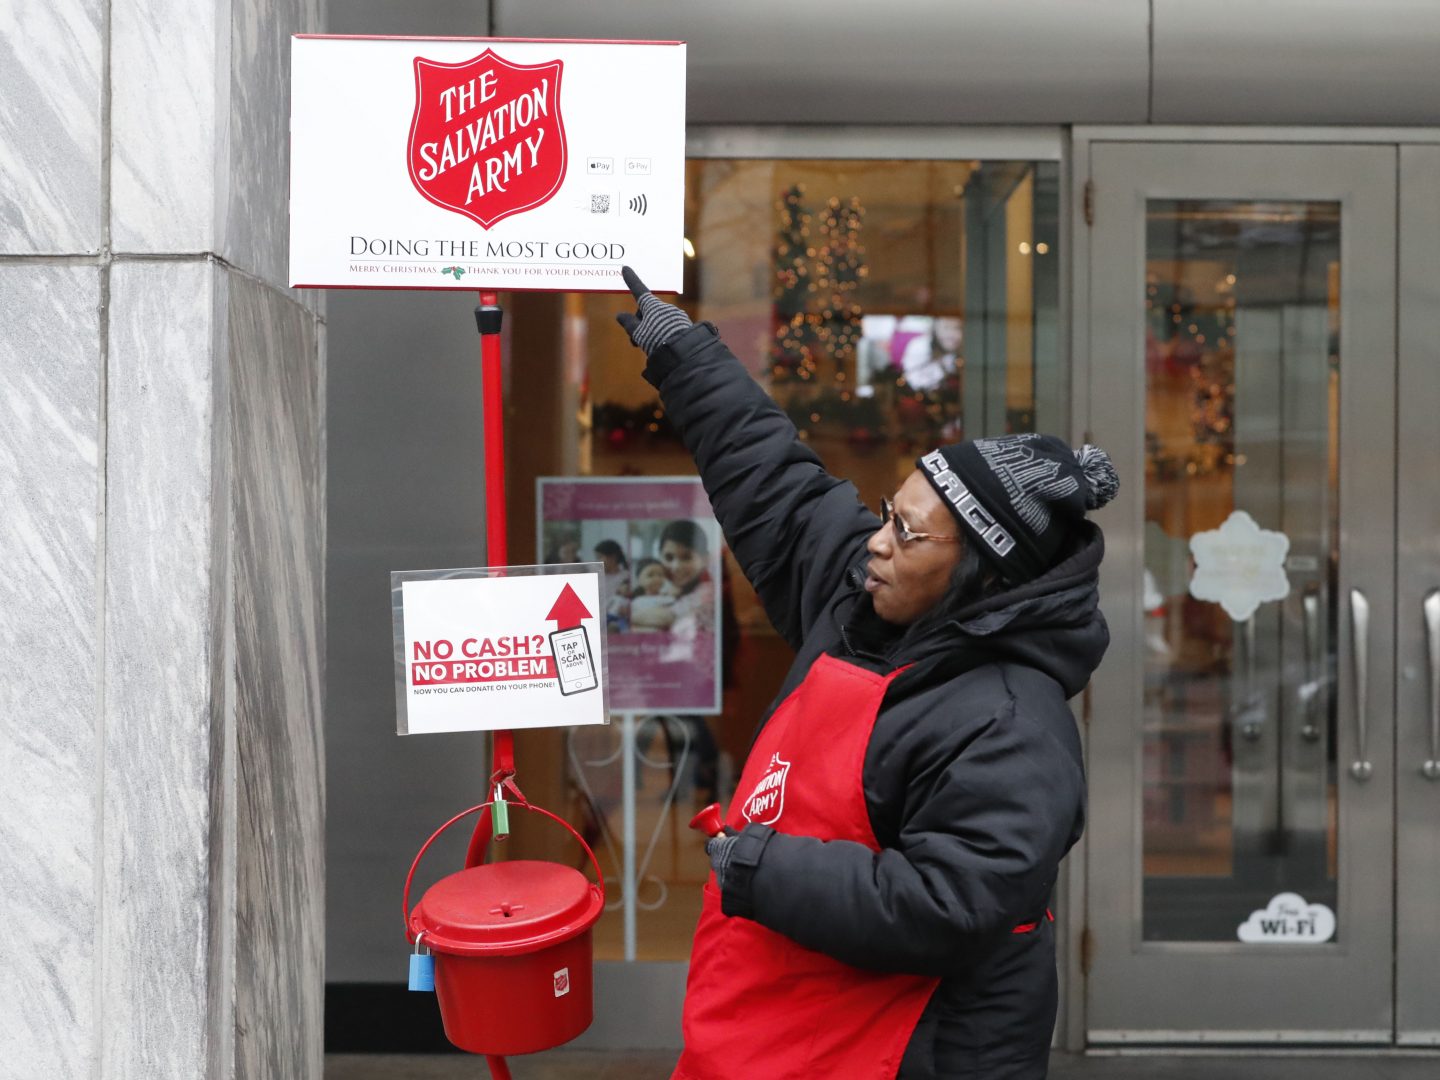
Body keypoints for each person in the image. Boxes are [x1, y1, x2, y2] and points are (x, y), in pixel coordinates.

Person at [615, 267, 1116, 1080]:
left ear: (982, 576)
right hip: (782, 1034)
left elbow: (949, 905)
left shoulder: (1014, 722)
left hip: (915, 1053)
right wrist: (682, 352)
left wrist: (762, 867)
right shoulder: (863, 599)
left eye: (910, 536)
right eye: (889, 514)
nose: (878, 543)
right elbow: (776, 485)